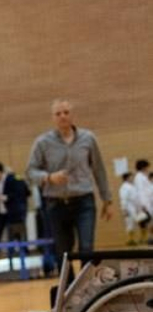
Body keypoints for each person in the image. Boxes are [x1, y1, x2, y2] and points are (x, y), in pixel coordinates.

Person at [26, 99, 112, 258]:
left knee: (87, 247)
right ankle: (68, 282)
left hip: (84, 201)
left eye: (66, 112)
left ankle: (86, 283)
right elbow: (30, 172)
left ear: (72, 115)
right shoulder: (42, 142)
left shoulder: (88, 138)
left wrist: (107, 200)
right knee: (63, 251)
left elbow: (99, 169)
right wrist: (49, 177)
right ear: (53, 118)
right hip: (55, 203)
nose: (62, 116)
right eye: (58, 113)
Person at [0, 162, 29, 242]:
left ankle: (22, 248)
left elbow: (24, 192)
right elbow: (27, 192)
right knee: (17, 230)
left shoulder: (15, 179)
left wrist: (8, 197)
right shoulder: (19, 178)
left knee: (18, 230)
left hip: (17, 208)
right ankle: (20, 247)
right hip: (20, 207)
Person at [119, 172, 147, 246]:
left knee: (141, 221)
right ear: (127, 178)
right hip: (129, 207)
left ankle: (142, 239)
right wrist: (124, 209)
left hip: (135, 207)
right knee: (130, 223)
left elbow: (136, 198)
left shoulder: (132, 186)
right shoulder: (124, 187)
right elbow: (123, 199)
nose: (132, 178)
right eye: (131, 177)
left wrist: (140, 207)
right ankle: (130, 240)